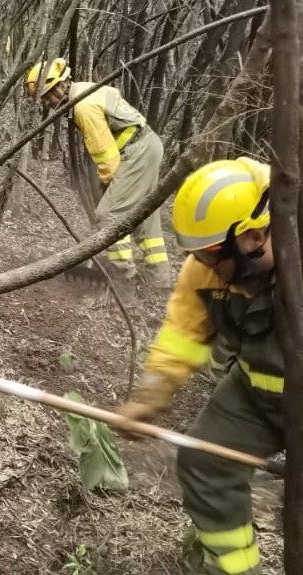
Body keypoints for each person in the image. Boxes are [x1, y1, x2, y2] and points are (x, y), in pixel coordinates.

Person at [116, 157, 278, 575]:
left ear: (254, 236)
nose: (202, 267)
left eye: (210, 256)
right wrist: (151, 396)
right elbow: (182, 334)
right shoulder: (207, 269)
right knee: (205, 465)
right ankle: (234, 569)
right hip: (254, 392)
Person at [25, 58, 171, 287]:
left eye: (48, 96)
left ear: (60, 86)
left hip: (137, 151)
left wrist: (108, 187)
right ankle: (159, 279)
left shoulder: (83, 106)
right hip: (147, 145)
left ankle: (123, 278)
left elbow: (106, 156)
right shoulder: (85, 91)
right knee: (144, 214)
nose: (48, 104)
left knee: (107, 214)